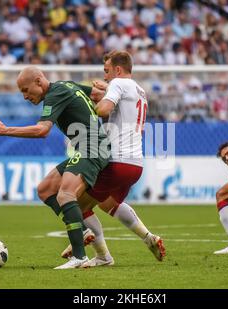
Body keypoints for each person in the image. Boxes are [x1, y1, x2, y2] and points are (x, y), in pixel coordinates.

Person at [0, 66, 110, 269]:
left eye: (26, 90)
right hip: (89, 148)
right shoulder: (65, 86)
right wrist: (107, 90)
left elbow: (42, 130)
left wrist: (6, 130)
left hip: (93, 148)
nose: (25, 96)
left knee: (65, 195)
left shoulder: (56, 92)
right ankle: (83, 231)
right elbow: (96, 95)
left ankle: (79, 257)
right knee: (45, 189)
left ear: (39, 81)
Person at [59, 50, 166, 267]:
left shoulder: (118, 84)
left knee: (73, 204)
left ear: (118, 70)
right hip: (135, 164)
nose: (106, 75)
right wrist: (104, 90)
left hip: (115, 161)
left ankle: (101, 255)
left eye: (107, 71)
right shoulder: (139, 90)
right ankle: (148, 237)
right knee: (110, 204)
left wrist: (92, 105)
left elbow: (103, 109)